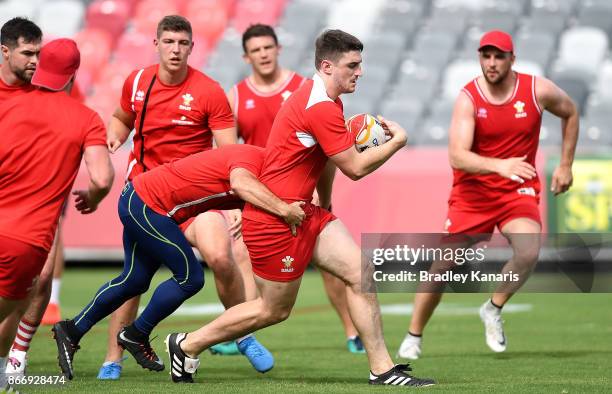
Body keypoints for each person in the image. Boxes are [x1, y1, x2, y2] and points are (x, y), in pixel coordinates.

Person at [165, 29, 435, 387]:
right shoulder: (320, 106)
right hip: (275, 219)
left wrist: (326, 201)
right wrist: (397, 142)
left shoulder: (328, 101)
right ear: (327, 66)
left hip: (303, 212)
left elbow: (325, 161)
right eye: (352, 65)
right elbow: (354, 167)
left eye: (360, 64)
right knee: (272, 310)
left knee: (361, 272)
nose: (360, 72)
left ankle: (382, 369)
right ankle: (186, 344)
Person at [96, 15, 272, 379]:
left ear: (192, 47)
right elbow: (120, 118)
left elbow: (229, 153)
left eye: (183, 43)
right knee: (135, 279)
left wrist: (236, 202)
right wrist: (114, 136)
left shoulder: (209, 91)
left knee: (221, 256)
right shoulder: (138, 81)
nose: (176, 49)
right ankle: (112, 359)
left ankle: (243, 333)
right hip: (146, 197)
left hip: (194, 199)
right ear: (157, 44)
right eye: (169, 42)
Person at [397, 30, 578, 360]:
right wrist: (500, 166)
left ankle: (493, 308)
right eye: (486, 56)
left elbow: (570, 112)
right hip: (473, 194)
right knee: (442, 268)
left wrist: (565, 164)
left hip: (515, 191)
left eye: (499, 56)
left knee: (528, 251)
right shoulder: (469, 97)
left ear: (512, 59)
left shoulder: (537, 90)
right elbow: (457, 155)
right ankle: (414, 334)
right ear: (480, 58)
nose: (492, 63)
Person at [52, 144, 305, 380]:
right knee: (190, 278)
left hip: (143, 200)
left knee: (134, 280)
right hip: (146, 205)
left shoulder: (266, 173)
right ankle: (136, 334)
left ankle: (71, 330)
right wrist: (284, 210)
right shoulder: (254, 159)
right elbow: (241, 184)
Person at [226, 23, 365, 354]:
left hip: (301, 192)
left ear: (278, 49)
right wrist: (236, 202)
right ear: (247, 57)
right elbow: (231, 153)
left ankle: (351, 331)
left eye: (268, 47)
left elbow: (325, 152)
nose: (263, 54)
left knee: (339, 267)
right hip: (261, 195)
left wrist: (319, 193)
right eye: (256, 50)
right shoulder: (238, 96)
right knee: (243, 262)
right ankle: (242, 335)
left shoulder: (310, 89)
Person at [0, 38, 115, 392]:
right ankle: (11, 363)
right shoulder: (85, 118)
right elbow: (101, 177)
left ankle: (13, 363)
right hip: (24, 239)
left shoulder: (11, 101)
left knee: (41, 280)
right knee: (21, 295)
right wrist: (94, 198)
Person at [0, 17, 73, 377]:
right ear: (5, 51)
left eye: (38, 54)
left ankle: (17, 354)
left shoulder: (47, 86)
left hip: (38, 200)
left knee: (40, 279)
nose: (34, 61)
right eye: (28, 53)